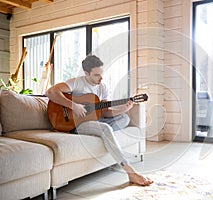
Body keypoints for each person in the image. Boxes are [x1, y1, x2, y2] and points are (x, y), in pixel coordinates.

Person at [45, 55, 153, 186]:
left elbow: (106, 112)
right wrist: (73, 105)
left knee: (124, 118)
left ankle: (102, 133)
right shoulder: (77, 82)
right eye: (96, 75)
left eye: (102, 74)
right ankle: (130, 172)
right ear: (86, 73)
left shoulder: (103, 88)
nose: (101, 78)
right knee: (105, 128)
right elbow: (50, 92)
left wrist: (123, 108)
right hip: (75, 124)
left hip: (95, 121)